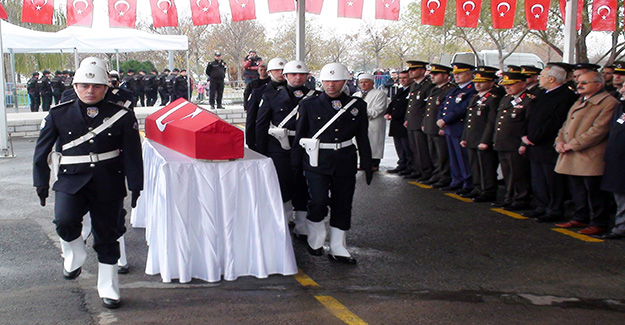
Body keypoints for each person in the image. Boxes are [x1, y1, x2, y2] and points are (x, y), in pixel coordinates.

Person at [33, 62, 143, 309]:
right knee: (64, 221)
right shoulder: (58, 113)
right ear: (75, 86)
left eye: (96, 86)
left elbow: (133, 154)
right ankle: (74, 254)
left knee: (108, 235)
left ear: (107, 87)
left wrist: (136, 185)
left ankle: (109, 287)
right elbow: (42, 151)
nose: (90, 91)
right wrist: (40, 181)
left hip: (108, 179)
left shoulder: (121, 114)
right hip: (71, 178)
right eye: (84, 85)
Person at [292, 62, 373, 265]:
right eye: (327, 80)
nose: (330, 85)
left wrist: (367, 162)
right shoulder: (308, 104)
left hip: (345, 160)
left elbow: (362, 137)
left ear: (345, 81)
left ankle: (338, 246)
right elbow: (300, 136)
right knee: (318, 201)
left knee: (343, 202)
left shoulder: (357, 106)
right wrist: (295, 164)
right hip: (316, 160)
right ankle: (316, 237)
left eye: (335, 80)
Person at [256, 60, 318, 239]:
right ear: (285, 76)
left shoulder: (315, 96)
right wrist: (261, 152)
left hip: (306, 147)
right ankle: (282, 222)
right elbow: (260, 125)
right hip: (279, 147)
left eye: (301, 74)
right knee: (282, 184)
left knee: (303, 184)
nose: (297, 77)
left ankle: (301, 225)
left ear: (307, 76)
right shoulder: (271, 97)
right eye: (293, 74)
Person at [554, 71, 617, 235]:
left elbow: (599, 130)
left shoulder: (608, 103)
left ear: (599, 85)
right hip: (572, 152)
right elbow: (566, 125)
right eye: (578, 82)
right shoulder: (580, 100)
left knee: (594, 192)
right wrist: (559, 141)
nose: (579, 85)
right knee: (578, 190)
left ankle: (599, 222)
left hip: (590, 155)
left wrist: (572, 145)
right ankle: (580, 217)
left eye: (585, 83)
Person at [521, 64, 578, 222]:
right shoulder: (542, 93)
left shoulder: (565, 96)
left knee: (552, 181)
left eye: (543, 76)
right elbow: (530, 116)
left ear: (552, 79)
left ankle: (554, 209)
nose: (539, 78)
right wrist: (525, 135)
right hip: (534, 143)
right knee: (538, 179)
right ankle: (541, 206)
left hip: (548, 145)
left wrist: (534, 138)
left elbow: (555, 122)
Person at [491, 72, 534, 211]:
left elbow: (528, 124)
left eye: (511, 84)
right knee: (507, 172)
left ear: (523, 84)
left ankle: (520, 199)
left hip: (515, 143)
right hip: (503, 141)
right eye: (506, 85)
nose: (507, 88)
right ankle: (509, 197)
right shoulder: (506, 99)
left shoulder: (529, 99)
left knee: (518, 173)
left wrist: (523, 143)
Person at [460, 67, 502, 201]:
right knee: (475, 166)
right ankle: (477, 187)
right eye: (476, 82)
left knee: (486, 167)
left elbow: (491, 122)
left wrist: (485, 140)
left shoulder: (493, 98)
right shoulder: (475, 97)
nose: (477, 85)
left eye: (482, 82)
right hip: (472, 137)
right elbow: (469, 119)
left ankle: (488, 190)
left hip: (483, 138)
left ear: (491, 83)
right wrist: (465, 137)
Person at [437, 63, 477, 193]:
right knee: (454, 157)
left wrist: (445, 120)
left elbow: (462, 108)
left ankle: (467, 182)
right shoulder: (455, 89)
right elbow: (444, 105)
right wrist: (440, 118)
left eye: (460, 73)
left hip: (460, 127)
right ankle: (457, 180)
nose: (457, 76)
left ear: (470, 73)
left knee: (463, 158)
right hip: (450, 127)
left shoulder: (472, 89)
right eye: (455, 74)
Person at [421, 64, 454, 187]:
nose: (432, 76)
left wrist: (442, 127)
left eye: (436, 74)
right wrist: (425, 122)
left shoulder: (449, 89)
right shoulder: (434, 89)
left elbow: (446, 110)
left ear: (445, 76)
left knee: (442, 154)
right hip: (431, 125)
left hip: (439, 127)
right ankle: (437, 174)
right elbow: (428, 109)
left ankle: (444, 176)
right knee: (433, 153)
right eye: (432, 74)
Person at [245, 57, 287, 151]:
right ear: (269, 72)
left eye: (283, 70)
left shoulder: (293, 92)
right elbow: (251, 117)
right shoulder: (259, 92)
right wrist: (251, 141)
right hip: (267, 137)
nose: (280, 72)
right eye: (276, 70)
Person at [597, 99, 625, 239]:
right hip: (617, 158)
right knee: (620, 196)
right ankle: (620, 227)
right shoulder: (621, 107)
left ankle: (621, 228)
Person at [404, 60, 434, 180]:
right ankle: (417, 169)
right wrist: (407, 118)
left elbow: (427, 107)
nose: (411, 72)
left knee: (422, 150)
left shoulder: (428, 85)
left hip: (420, 122)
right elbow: (411, 105)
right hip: (412, 122)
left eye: (414, 70)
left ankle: (426, 172)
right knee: (414, 148)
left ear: (422, 70)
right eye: (410, 70)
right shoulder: (414, 85)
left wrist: (424, 122)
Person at [354, 73, 387, 171]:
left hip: (373, 123)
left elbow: (378, 110)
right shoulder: (356, 95)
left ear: (372, 83)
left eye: (366, 82)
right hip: (360, 124)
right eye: (361, 82)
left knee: (374, 144)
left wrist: (360, 113)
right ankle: (363, 163)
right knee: (361, 144)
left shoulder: (379, 94)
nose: (363, 84)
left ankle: (374, 164)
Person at [384, 71, 414, 175]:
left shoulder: (412, 90)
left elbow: (407, 107)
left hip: (403, 121)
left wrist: (394, 115)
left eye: (405, 78)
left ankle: (409, 166)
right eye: (400, 78)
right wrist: (388, 112)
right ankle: (402, 164)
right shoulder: (401, 90)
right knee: (399, 146)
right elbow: (393, 103)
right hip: (395, 123)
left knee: (407, 146)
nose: (402, 80)